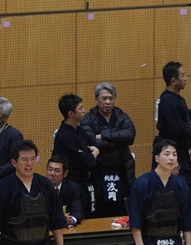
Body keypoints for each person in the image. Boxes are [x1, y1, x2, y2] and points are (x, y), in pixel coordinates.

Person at [80, 81, 137, 217]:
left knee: (121, 208)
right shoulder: (88, 119)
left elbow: (130, 135)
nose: (108, 102)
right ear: (96, 99)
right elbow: (91, 142)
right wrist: (119, 141)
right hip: (99, 170)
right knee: (101, 207)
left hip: (121, 169)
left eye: (111, 98)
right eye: (104, 98)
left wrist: (104, 135)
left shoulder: (121, 116)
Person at [156, 61, 191, 189]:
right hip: (173, 151)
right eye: (183, 75)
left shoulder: (178, 99)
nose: (186, 78)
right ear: (173, 80)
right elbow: (175, 131)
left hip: (182, 151)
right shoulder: (167, 101)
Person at [52, 94, 99, 217]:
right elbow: (85, 159)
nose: (84, 110)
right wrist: (94, 153)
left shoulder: (79, 130)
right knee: (77, 215)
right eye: (80, 108)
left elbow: (93, 144)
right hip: (72, 184)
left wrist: (89, 152)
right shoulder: (63, 135)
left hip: (85, 181)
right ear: (71, 114)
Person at [46, 155, 83, 227]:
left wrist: (71, 219)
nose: (52, 173)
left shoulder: (72, 187)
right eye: (50, 169)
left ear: (65, 173)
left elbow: (77, 210)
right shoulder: (40, 186)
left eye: (57, 171)